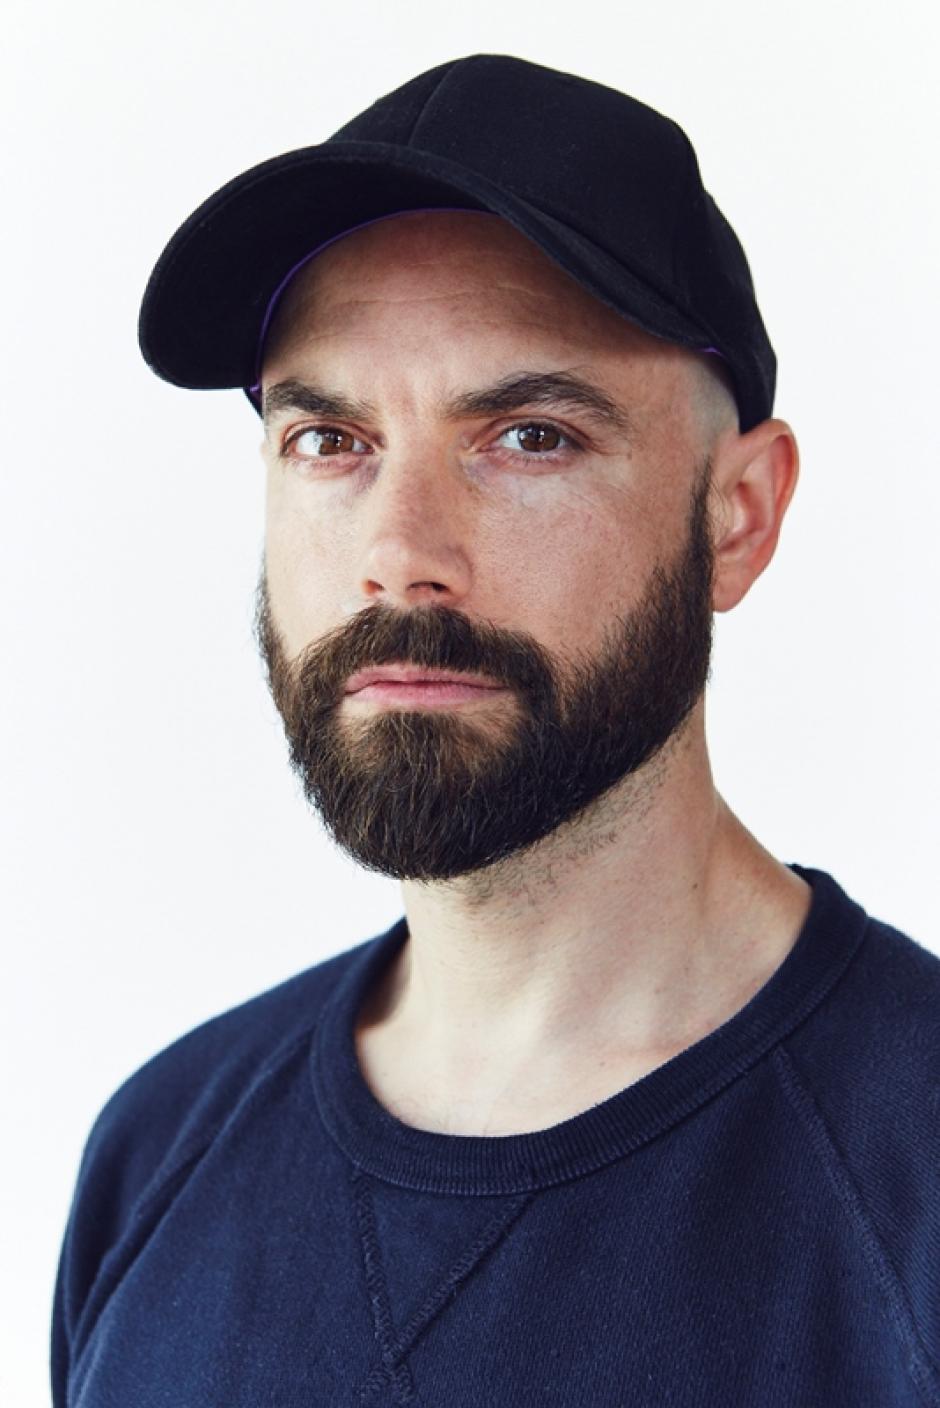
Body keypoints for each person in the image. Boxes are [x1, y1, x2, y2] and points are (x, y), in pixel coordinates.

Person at [52, 54, 940, 1408]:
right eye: (331, 440)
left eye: (528, 437)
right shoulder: (159, 1154)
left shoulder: (911, 1173)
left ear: (738, 516)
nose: (402, 557)